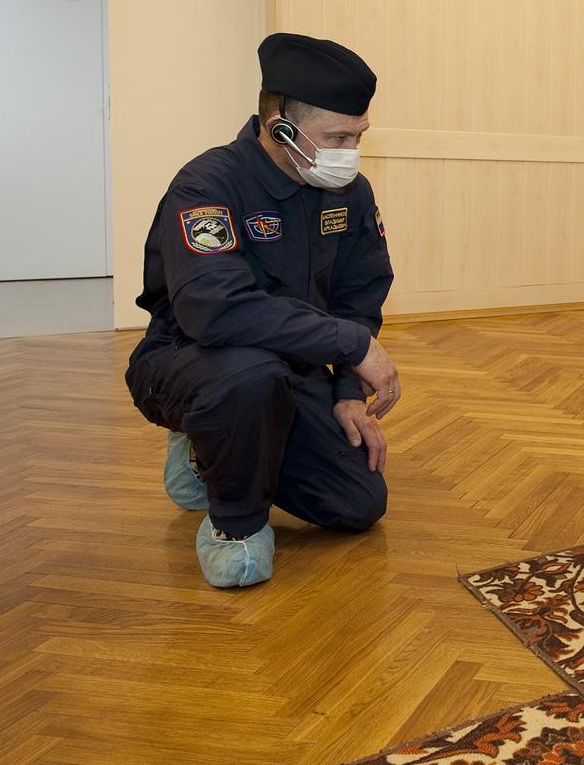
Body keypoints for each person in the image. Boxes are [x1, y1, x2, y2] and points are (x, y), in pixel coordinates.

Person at [125, 33, 400, 589]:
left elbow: (358, 295)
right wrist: (352, 348)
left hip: (290, 370)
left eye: (358, 136)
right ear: (279, 125)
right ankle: (235, 526)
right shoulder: (207, 184)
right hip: (190, 359)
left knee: (356, 503)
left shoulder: (349, 193)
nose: (349, 152)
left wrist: (347, 389)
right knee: (249, 375)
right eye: (336, 137)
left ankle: (220, 451)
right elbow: (215, 311)